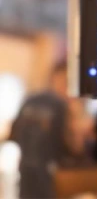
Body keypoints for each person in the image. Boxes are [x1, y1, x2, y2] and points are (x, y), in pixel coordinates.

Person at [9, 62, 84, 198]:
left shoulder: (29, 101)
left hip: (25, 172)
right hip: (50, 177)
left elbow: (13, 134)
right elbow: (75, 147)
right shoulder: (62, 106)